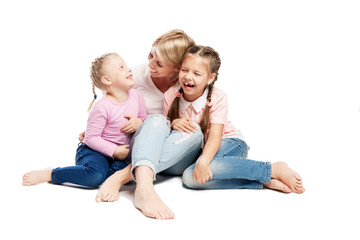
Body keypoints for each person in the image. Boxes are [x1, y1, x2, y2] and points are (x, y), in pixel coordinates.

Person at [164, 45, 306, 193]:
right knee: (191, 179)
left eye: (197, 73)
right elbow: (167, 135)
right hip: (203, 151)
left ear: (210, 78)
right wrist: (173, 123)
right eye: (184, 70)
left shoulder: (218, 97)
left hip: (229, 143)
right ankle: (262, 182)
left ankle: (271, 169)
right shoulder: (171, 95)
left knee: (191, 174)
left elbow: (214, 136)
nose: (188, 76)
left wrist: (204, 161)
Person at [22, 53, 147, 188]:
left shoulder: (136, 96)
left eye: (127, 66)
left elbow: (144, 119)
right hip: (93, 151)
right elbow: (91, 138)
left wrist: (139, 122)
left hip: (118, 157)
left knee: (127, 175)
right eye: (122, 67)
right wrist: (115, 150)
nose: (129, 69)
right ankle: (52, 174)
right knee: (95, 175)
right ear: (107, 80)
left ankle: (94, 174)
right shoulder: (102, 107)